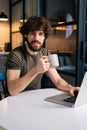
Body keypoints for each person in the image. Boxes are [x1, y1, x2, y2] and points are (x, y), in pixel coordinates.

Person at [6, 15, 80, 96]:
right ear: (25, 35)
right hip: (15, 100)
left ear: (45, 36)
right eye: (32, 33)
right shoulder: (16, 55)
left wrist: (70, 88)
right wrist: (36, 70)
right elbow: (12, 90)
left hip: (35, 97)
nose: (36, 38)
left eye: (40, 34)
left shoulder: (45, 53)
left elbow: (57, 80)